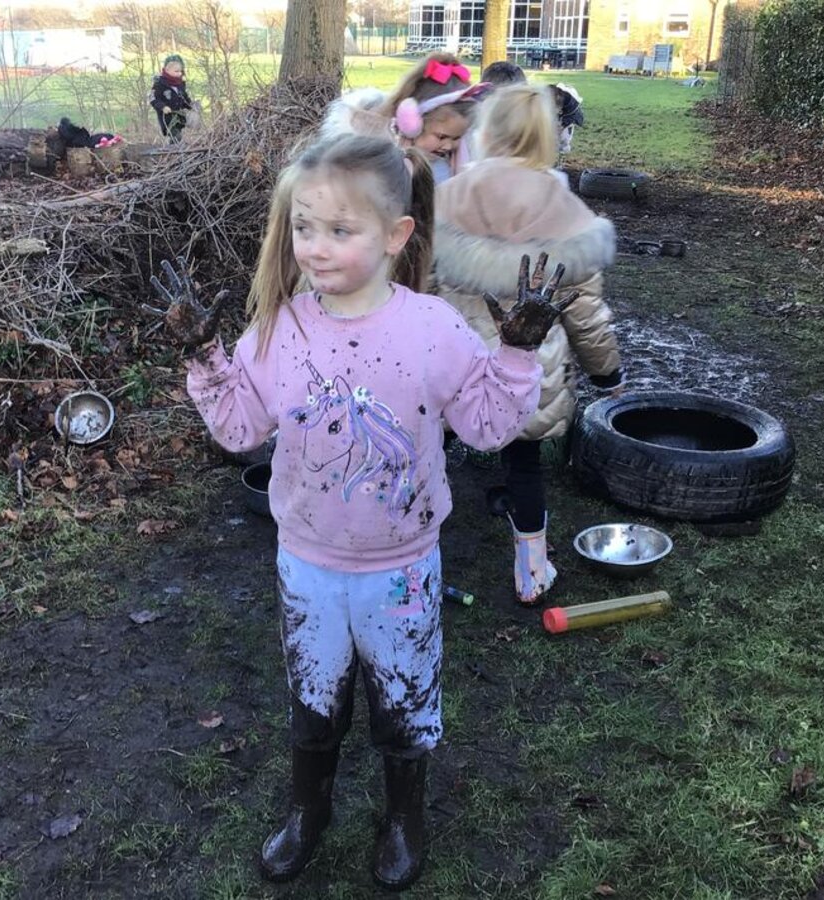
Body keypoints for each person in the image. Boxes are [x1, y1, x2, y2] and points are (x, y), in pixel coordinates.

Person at [149, 133, 573, 890]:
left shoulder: (432, 328)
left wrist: (516, 355)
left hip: (402, 569)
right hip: (307, 564)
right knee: (314, 697)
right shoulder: (280, 330)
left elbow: (486, 428)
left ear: (395, 234)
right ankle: (309, 810)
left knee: (403, 701)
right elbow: (239, 429)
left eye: (340, 230)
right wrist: (204, 359)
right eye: (304, 227)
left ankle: (405, 818)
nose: (314, 247)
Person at [431, 84, 625, 606]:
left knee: (428, 454)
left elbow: (417, 286)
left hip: (451, 363)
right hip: (528, 369)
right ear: (547, 136)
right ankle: (532, 572)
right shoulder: (565, 209)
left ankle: (408, 553)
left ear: (485, 132)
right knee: (524, 465)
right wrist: (607, 373)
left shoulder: (448, 197)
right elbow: (584, 311)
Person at [320, 52, 488, 184]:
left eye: (456, 138)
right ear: (412, 122)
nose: (449, 146)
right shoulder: (382, 161)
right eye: (442, 137)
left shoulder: (452, 165)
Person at [149, 54, 194, 143]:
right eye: (176, 71)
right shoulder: (159, 83)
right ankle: (173, 148)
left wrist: (190, 105)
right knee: (175, 135)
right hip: (167, 118)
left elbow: (184, 97)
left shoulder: (180, 83)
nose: (179, 73)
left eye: (180, 71)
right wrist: (163, 107)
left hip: (178, 116)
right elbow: (153, 99)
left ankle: (173, 147)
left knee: (178, 135)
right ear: (167, 70)